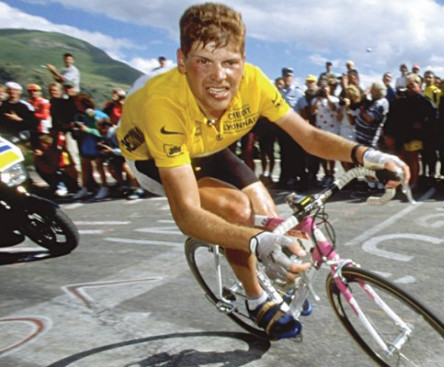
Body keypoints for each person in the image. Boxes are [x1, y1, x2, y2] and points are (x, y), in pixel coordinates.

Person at [116, 3, 408, 340]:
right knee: (236, 211)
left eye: (230, 62)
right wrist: (256, 241)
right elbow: (186, 213)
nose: (219, 76)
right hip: (155, 155)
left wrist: (366, 155)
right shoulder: (161, 102)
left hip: (208, 144)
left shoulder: (254, 83)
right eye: (203, 62)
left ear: (243, 61)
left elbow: (309, 137)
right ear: (182, 61)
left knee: (269, 214)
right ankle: (256, 299)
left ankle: (270, 269)